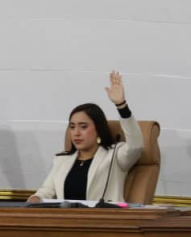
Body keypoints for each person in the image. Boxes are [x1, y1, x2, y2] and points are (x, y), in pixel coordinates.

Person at [27, 71, 143, 204]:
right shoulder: (61, 160)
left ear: (98, 129)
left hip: (105, 216)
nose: (76, 133)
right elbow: (45, 191)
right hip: (66, 217)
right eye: (72, 127)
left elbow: (136, 146)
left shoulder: (114, 156)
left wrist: (121, 106)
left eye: (83, 127)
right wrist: (35, 198)